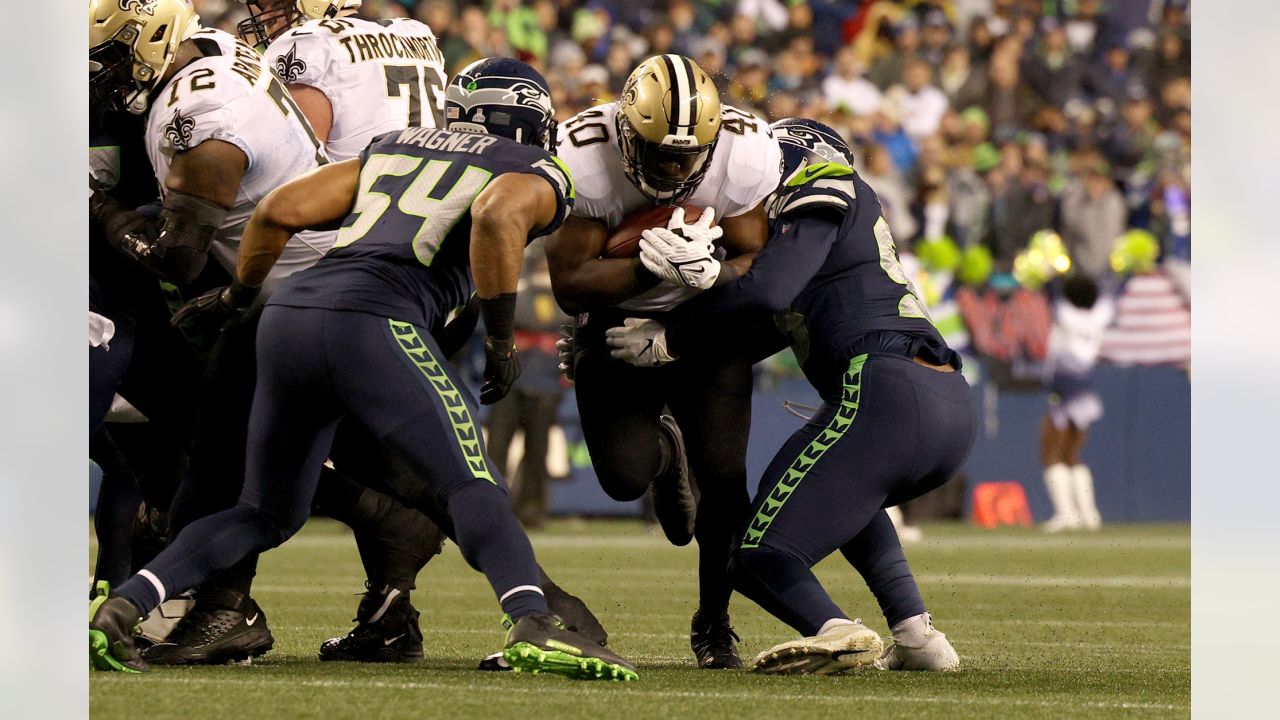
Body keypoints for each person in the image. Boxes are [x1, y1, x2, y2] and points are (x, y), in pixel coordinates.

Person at [89, 56, 639, 682]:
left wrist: (238, 297)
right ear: (534, 123)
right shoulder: (533, 166)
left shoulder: (394, 145)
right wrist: (502, 338)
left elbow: (281, 210)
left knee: (264, 512)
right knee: (470, 486)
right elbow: (495, 215)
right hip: (377, 320)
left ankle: (125, 606)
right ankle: (534, 622)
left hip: (289, 315)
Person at [606, 118, 974, 674]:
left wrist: (669, 341)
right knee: (854, 500)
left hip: (885, 392)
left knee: (752, 555)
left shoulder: (821, 185)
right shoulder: (829, 241)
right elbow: (759, 323)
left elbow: (766, 291)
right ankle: (917, 634)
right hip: (942, 404)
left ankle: (837, 630)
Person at [546, 54, 782, 669]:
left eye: (687, 157)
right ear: (626, 131)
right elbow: (570, 283)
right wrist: (646, 267)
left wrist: (713, 273)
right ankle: (664, 452)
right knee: (623, 478)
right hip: (618, 326)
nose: (676, 170)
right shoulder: (584, 156)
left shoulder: (743, 153)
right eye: (660, 154)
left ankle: (715, 619)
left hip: (705, 329)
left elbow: (757, 260)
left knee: (726, 481)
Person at [1040, 273, 1115, 532]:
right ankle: (1089, 514)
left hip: (1063, 387)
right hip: (1084, 386)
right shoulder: (1100, 316)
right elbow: (1107, 298)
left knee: (1050, 452)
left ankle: (1066, 514)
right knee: (1073, 454)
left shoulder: (1066, 316)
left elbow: (1053, 294)